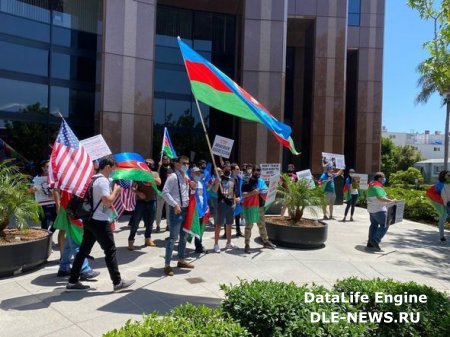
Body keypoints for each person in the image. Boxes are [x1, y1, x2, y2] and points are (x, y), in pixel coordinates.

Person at [66, 155, 135, 291]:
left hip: (90, 219)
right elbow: (107, 200)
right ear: (108, 166)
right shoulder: (102, 181)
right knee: (110, 251)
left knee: (83, 251)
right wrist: (116, 191)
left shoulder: (92, 179)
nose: (114, 172)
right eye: (113, 169)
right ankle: (117, 282)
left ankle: (72, 281)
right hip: (100, 221)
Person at [162, 155, 196, 276]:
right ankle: (167, 265)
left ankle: (181, 260)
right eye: (184, 163)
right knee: (173, 238)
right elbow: (164, 193)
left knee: (184, 236)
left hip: (186, 210)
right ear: (177, 164)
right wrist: (175, 204)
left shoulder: (185, 176)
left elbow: (186, 193)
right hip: (177, 210)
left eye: (188, 163)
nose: (186, 165)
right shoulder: (172, 177)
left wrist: (193, 186)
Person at [127, 159, 161, 250]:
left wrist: (149, 177)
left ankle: (148, 239)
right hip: (141, 202)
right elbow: (133, 188)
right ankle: (131, 240)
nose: (148, 164)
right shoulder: (138, 175)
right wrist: (138, 193)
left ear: (152, 166)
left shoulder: (154, 173)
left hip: (152, 201)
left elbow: (159, 182)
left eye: (150, 163)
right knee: (136, 222)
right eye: (146, 163)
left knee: (150, 222)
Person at [242, 166, 276, 253]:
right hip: (250, 207)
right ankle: (247, 244)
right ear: (252, 172)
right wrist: (253, 193)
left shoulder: (261, 181)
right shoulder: (246, 182)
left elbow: (265, 190)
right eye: (256, 173)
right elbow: (244, 195)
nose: (258, 174)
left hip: (260, 207)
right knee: (248, 226)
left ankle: (265, 241)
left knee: (262, 225)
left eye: (259, 173)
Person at [366, 172, 396, 251]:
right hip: (379, 210)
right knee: (385, 224)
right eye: (383, 178)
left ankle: (370, 243)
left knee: (374, 225)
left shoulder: (371, 186)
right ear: (379, 178)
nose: (384, 179)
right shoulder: (377, 187)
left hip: (371, 210)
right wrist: (391, 201)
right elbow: (380, 198)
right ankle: (375, 240)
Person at [213, 162, 238, 253]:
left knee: (229, 224)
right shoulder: (219, 179)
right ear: (223, 169)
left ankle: (229, 242)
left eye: (229, 168)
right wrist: (217, 183)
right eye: (226, 167)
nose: (228, 169)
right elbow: (215, 191)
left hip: (230, 204)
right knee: (219, 224)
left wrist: (234, 202)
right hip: (222, 204)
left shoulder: (232, 179)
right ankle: (216, 244)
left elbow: (233, 192)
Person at [427, 170, 449, 243]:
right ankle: (441, 236)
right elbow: (431, 193)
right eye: (448, 175)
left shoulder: (447, 184)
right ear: (443, 176)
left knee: (442, 220)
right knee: (442, 220)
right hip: (444, 205)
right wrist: (441, 201)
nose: (449, 176)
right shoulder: (439, 185)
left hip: (447, 204)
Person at [156, 155, 173, 232]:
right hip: (160, 192)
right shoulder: (160, 168)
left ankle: (168, 225)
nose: (166, 160)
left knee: (168, 210)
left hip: (169, 193)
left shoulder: (172, 170)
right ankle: (158, 225)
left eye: (167, 159)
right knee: (159, 210)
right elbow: (156, 175)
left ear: (169, 160)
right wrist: (159, 166)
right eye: (164, 159)